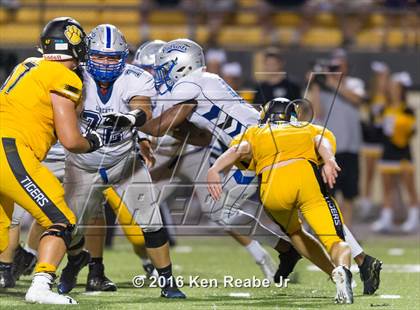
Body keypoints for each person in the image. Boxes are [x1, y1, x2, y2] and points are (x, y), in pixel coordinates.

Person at [55, 24, 186, 298]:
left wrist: (130, 119)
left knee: (150, 221)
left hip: (124, 161)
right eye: (100, 56)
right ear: (87, 54)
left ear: (123, 57)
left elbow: (143, 109)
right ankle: (77, 263)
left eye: (113, 57)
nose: (106, 62)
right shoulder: (72, 77)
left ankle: (167, 282)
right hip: (82, 162)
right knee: (71, 226)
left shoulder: (136, 77)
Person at [207, 97, 354, 304]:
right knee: (335, 241)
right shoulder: (305, 128)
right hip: (304, 178)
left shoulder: (256, 132)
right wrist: (329, 160)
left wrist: (214, 169)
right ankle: (342, 270)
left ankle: (333, 273)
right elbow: (321, 141)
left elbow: (237, 150)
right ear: (292, 116)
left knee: (295, 232)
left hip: (272, 189)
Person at [0, 17, 103, 304]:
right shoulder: (64, 77)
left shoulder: (28, 64)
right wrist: (94, 140)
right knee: (61, 219)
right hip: (10, 150)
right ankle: (41, 285)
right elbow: (71, 140)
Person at [372, 71, 418, 233]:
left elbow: (412, 132)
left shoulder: (408, 110)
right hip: (387, 152)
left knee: (409, 187)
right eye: (392, 87)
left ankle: (414, 218)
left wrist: (400, 128)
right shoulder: (384, 109)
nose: (393, 90)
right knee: (387, 187)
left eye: (396, 88)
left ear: (402, 90)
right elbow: (376, 128)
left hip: (403, 153)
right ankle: (386, 218)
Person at [359, 61, 390, 218]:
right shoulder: (368, 97)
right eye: (379, 77)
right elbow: (366, 119)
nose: (382, 80)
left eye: (384, 76)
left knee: (387, 177)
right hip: (370, 141)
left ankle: (387, 209)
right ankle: (366, 203)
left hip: (384, 142)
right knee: (369, 173)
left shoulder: (390, 98)